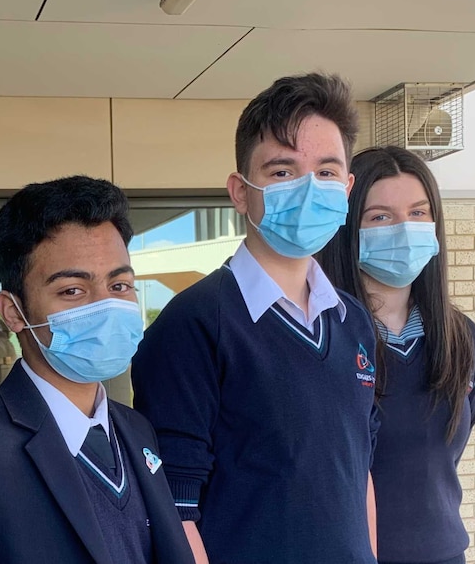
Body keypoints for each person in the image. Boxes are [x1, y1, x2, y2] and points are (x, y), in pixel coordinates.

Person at [131, 73, 379, 564]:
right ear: (240, 192)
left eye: (326, 172)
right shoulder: (194, 324)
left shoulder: (352, 320)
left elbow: (360, 470)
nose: (309, 189)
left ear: (347, 189)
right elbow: (175, 510)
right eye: (282, 172)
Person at [0, 176, 195, 564]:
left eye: (120, 285)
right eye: (72, 291)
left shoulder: (136, 429)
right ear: (13, 311)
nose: (105, 305)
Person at [317, 146, 475, 564]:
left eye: (417, 213)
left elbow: (443, 452)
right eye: (380, 217)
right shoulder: (320, 336)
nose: (403, 229)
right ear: (348, 227)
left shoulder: (461, 338)